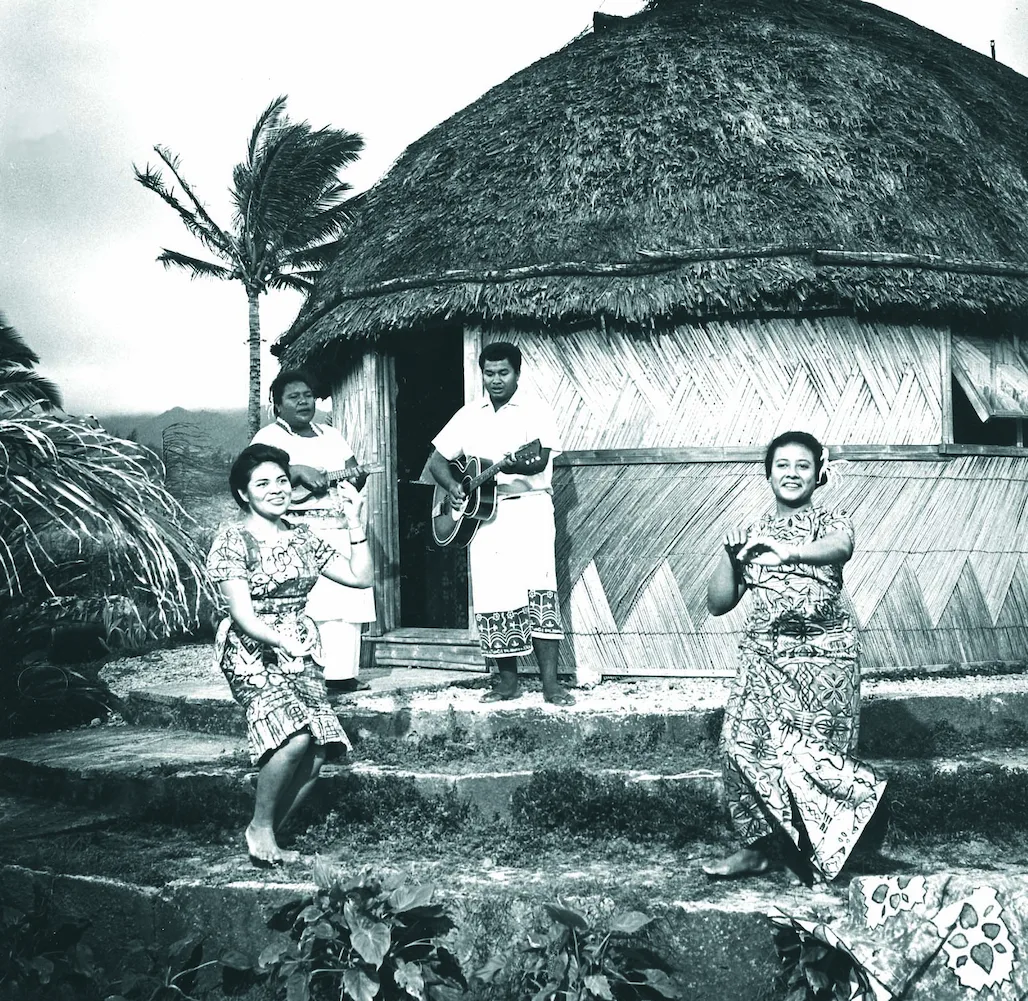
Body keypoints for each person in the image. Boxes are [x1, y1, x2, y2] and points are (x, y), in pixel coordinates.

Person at [702, 430, 885, 883]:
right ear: (768, 474)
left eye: (802, 465)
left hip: (826, 657)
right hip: (765, 656)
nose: (792, 473)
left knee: (816, 755)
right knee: (740, 750)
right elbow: (718, 603)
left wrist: (791, 553)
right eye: (782, 464)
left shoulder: (831, 521)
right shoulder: (753, 534)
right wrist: (730, 557)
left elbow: (841, 548)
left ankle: (821, 848)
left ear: (818, 473)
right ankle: (759, 849)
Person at [206, 444, 373, 866]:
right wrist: (282, 641)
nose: (276, 489)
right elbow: (242, 615)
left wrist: (354, 522)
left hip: (301, 644)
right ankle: (260, 827)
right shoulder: (232, 540)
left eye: (282, 480)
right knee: (294, 736)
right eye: (262, 483)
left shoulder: (302, 536)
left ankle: (265, 837)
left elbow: (361, 576)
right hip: (252, 650)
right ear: (244, 494)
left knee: (318, 753)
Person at [427, 342, 574, 706]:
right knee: (494, 595)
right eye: (489, 374)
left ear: (517, 373)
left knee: (538, 590)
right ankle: (508, 683)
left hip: (529, 508)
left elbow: (538, 460)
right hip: (483, 517)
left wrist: (513, 465)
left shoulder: (535, 410)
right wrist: (454, 489)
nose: (496, 380)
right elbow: (437, 461)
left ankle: (550, 685)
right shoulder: (469, 414)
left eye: (503, 373)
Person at [251, 369, 375, 691]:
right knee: (312, 605)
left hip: (339, 525)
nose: (304, 401)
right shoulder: (268, 438)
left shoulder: (330, 434)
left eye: (307, 395)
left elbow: (353, 470)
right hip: (298, 531)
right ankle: (308, 677)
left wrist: (354, 475)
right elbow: (254, 477)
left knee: (345, 605)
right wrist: (295, 471)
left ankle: (342, 676)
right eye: (294, 397)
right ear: (277, 405)